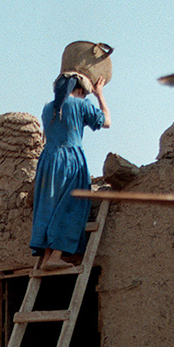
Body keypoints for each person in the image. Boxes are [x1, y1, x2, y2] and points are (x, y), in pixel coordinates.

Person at [30, 72, 110, 270]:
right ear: (82, 89)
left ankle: (48, 257)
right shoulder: (81, 104)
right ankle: (57, 255)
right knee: (71, 204)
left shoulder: (48, 108)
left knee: (49, 204)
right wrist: (99, 94)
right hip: (70, 159)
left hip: (48, 160)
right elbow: (106, 122)